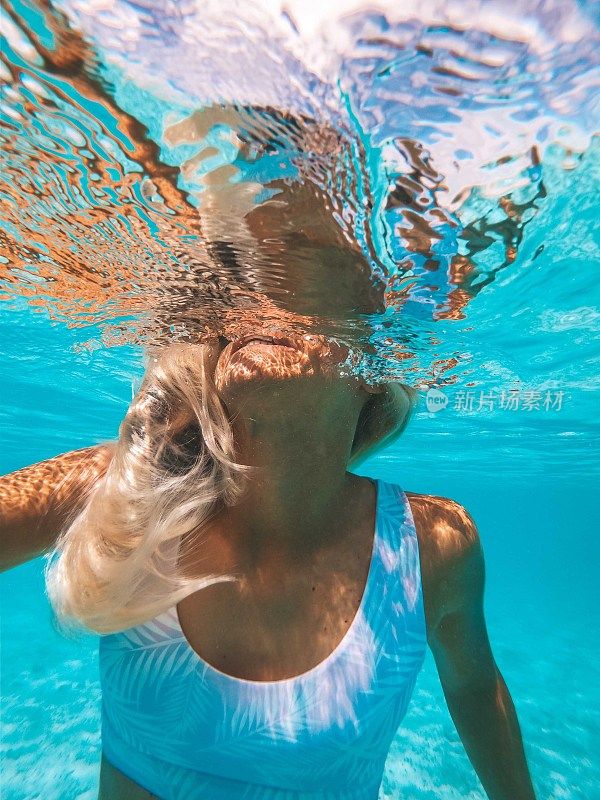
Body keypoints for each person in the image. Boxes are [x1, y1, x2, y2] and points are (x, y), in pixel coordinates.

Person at [1, 330, 537, 800]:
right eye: (240, 277)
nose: (261, 302)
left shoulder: (435, 542)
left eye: (310, 280)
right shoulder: (128, 491)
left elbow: (473, 687)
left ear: (376, 369)